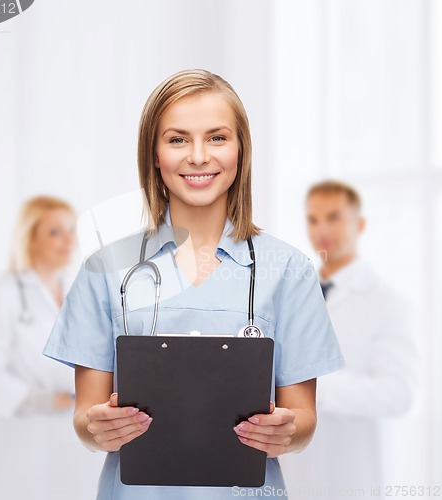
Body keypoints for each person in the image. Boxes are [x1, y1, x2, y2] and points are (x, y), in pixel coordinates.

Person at [43, 69, 345, 500]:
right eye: (178, 139)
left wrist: (286, 433)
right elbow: (84, 423)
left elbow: (304, 422)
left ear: (241, 150)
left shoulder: (288, 269)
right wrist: (101, 429)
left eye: (218, 138)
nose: (199, 156)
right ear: (154, 154)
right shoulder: (106, 269)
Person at [280, 180, 419, 499]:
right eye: (313, 220)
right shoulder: (292, 294)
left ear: (360, 224)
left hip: (351, 477)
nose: (322, 230)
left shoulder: (388, 302)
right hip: (295, 473)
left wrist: (309, 384)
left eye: (334, 217)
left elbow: (399, 394)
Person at [0, 196, 104, 500]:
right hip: (25, 437)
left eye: (71, 230)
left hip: (74, 440)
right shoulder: (3, 292)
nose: (67, 240)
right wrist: (40, 400)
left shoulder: (79, 289)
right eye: (55, 232)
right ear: (29, 239)